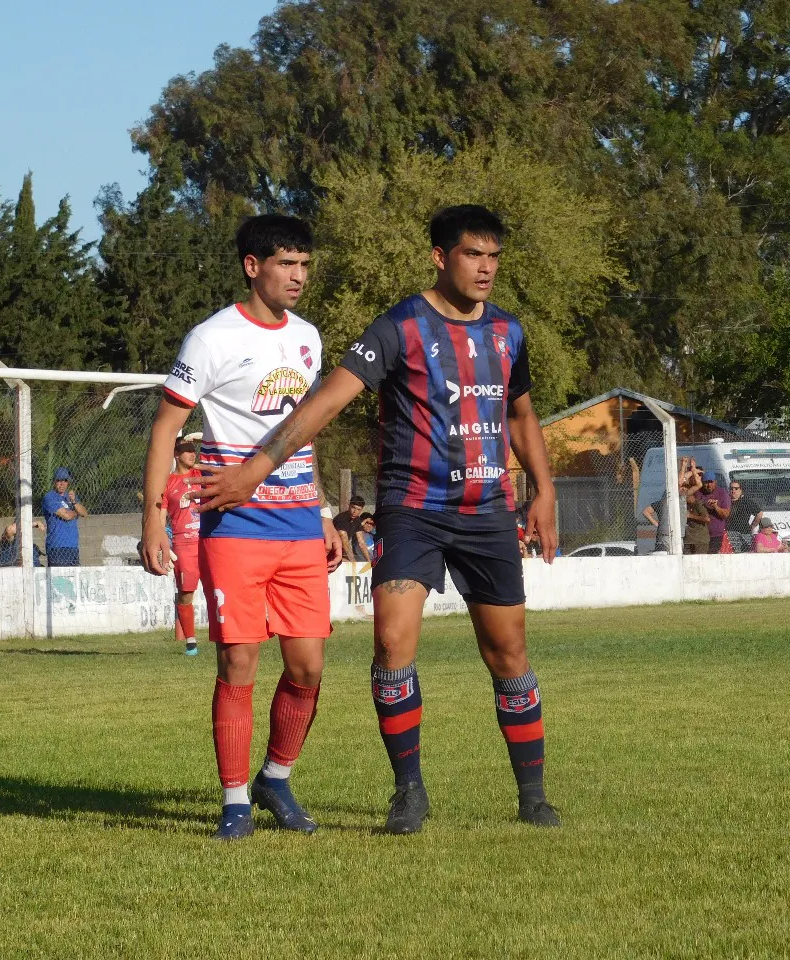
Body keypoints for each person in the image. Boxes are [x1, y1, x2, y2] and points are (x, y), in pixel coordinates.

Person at [198, 204, 561, 832]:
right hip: (413, 509)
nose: (486, 268)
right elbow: (323, 403)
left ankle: (533, 797)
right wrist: (256, 469)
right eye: (473, 255)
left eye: (494, 257)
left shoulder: (508, 332)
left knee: (508, 651)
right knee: (392, 643)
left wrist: (545, 490)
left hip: (487, 512)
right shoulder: (400, 327)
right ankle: (408, 791)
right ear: (441, 257)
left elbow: (521, 415)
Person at [139, 214, 344, 840]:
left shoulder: (308, 337)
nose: (299, 276)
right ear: (253, 267)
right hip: (235, 526)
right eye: (287, 264)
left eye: (305, 265)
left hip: (300, 525)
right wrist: (153, 521)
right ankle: (234, 802)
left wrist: (324, 510)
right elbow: (166, 428)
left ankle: (276, 779)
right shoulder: (211, 339)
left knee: (307, 667)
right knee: (238, 660)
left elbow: (303, 433)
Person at [163, 433, 204, 655]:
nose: (192, 453)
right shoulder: (168, 482)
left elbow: (217, 458)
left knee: (220, 587)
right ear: (176, 455)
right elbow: (160, 516)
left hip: (207, 540)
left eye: (193, 449)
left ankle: (225, 634)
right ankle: (191, 642)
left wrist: (199, 439)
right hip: (184, 544)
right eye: (187, 450)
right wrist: (162, 541)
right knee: (186, 593)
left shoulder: (200, 474)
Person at [42, 467, 86, 567]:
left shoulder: (71, 497)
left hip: (73, 546)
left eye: (65, 480)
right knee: (59, 576)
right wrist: (76, 512)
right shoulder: (50, 497)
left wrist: (74, 501)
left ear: (68, 482)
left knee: (73, 576)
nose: (62, 483)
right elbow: (66, 516)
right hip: (57, 546)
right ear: (54, 481)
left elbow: (84, 513)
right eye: (59, 480)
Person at [698, 471, 731, 554]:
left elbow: (726, 514)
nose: (709, 485)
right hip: (701, 533)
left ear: (715, 482)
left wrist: (716, 507)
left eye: (711, 482)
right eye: (706, 482)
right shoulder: (699, 492)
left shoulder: (722, 493)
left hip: (715, 534)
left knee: (712, 556)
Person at [726, 480, 762, 553]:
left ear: (741, 490)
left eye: (736, 488)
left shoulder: (746, 501)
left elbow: (759, 514)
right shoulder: (726, 500)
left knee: (745, 553)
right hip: (729, 532)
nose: (733, 491)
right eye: (731, 488)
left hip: (744, 532)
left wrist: (752, 526)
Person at [333, 495, 367, 560]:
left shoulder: (357, 520)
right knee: (343, 534)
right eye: (353, 507)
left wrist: (369, 562)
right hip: (331, 548)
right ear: (349, 506)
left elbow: (361, 542)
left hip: (340, 551)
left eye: (358, 509)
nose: (355, 511)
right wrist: (353, 561)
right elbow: (343, 538)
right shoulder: (341, 518)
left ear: (361, 510)